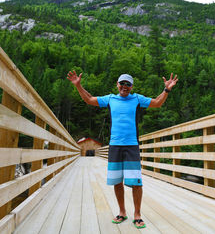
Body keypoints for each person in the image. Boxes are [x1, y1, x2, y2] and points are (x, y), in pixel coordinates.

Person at [67, 71, 178, 229]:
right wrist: (78, 85)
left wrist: (166, 90)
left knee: (136, 182)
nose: (125, 86)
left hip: (132, 145)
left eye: (128, 84)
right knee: (117, 181)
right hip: (115, 145)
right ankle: (122, 212)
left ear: (131, 87)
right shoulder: (110, 99)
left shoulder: (137, 99)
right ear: (117, 85)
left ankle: (137, 214)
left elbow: (157, 103)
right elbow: (89, 99)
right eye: (122, 83)